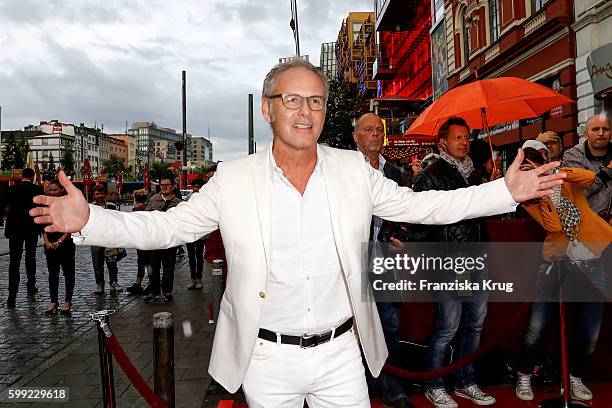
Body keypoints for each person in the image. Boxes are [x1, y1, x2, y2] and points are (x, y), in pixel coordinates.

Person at [31, 58, 565, 408]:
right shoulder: (233, 178)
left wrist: (504, 192)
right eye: (292, 99)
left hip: (342, 357)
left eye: (316, 100)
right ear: (269, 108)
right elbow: (169, 227)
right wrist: (92, 220)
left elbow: (423, 205)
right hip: (265, 360)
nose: (305, 112)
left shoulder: (355, 169)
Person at [515, 147, 612, 402]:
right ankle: (524, 373)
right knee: (537, 326)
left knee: (590, 332)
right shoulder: (528, 198)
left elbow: (589, 178)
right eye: (524, 170)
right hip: (555, 261)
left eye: (533, 167)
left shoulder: (564, 179)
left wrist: (556, 174)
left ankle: (575, 377)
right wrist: (544, 193)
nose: (531, 173)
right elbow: (554, 226)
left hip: (592, 256)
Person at [413, 117, 495, 408]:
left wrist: (493, 190)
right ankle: (433, 383)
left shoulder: (476, 175)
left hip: (477, 258)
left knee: (475, 323)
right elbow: (419, 222)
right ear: (442, 143)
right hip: (448, 261)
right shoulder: (430, 175)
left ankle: (466, 381)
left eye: (467, 137)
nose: (464, 142)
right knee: (448, 325)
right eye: (458, 137)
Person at [353, 112, 414, 408]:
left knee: (389, 323)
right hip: (351, 259)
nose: (375, 134)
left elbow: (406, 212)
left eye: (379, 129)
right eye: (368, 130)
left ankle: (393, 390)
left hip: (383, 259)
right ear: (356, 136)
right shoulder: (344, 171)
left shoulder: (395, 172)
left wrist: (401, 235)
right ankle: (357, 388)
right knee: (351, 325)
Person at [0, 168, 43, 308]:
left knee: (14, 261)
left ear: (22, 176)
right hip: (31, 228)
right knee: (30, 257)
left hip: (14, 229)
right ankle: (31, 285)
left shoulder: (11, 189)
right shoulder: (37, 189)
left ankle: (11, 296)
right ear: (32, 177)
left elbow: (2, 206)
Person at [563, 113, 612, 223]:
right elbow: (579, 193)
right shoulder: (573, 157)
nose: (601, 133)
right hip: (588, 227)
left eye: (605, 129)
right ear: (586, 134)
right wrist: (606, 173)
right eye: (595, 129)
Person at [143, 172, 182, 303]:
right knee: (153, 268)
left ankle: (167, 291)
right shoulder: (154, 199)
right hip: (155, 240)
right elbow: (146, 217)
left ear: (173, 186)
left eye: (167, 185)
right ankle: (154, 291)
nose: (164, 187)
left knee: (169, 268)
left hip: (170, 241)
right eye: (162, 185)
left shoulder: (179, 203)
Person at [42, 179, 75, 316]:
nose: (53, 192)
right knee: (53, 274)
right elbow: (43, 226)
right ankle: (53, 301)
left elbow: (70, 226)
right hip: (50, 245)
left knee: (68, 273)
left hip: (65, 243)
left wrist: (60, 241)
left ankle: (67, 301)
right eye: (50, 190)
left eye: (55, 190)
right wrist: (46, 242)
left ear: (61, 190)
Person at [89, 184, 122, 294]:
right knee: (97, 263)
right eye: (97, 193)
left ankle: (114, 282)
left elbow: (117, 220)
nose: (100, 195)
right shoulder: (90, 207)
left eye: (101, 193)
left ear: (105, 194)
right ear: (93, 195)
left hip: (110, 239)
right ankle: (99, 284)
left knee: (112, 262)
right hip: (96, 239)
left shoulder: (111, 206)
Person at [126, 189, 150, 295]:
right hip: (149, 239)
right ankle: (140, 283)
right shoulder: (148, 209)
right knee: (147, 262)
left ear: (135, 199)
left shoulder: (137, 210)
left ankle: (139, 284)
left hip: (141, 240)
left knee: (142, 262)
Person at [186, 178, 205, 290]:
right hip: (189, 231)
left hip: (200, 232)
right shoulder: (189, 198)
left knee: (199, 255)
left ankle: (199, 279)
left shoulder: (205, 199)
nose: (195, 189)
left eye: (197, 187)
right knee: (191, 256)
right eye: (194, 187)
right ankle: (193, 278)